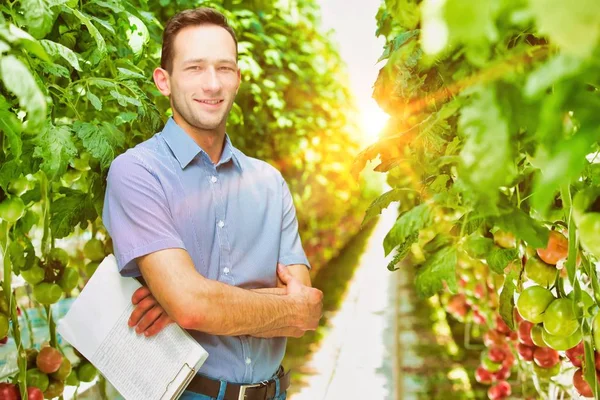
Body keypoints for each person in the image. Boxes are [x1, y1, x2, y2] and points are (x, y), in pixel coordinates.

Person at [101, 7, 323, 400]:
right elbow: (191, 306)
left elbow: (304, 312)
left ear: (237, 79)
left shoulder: (270, 183)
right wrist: (192, 304)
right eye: (194, 68)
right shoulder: (137, 173)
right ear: (163, 81)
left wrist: (200, 301)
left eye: (224, 68)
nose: (212, 83)